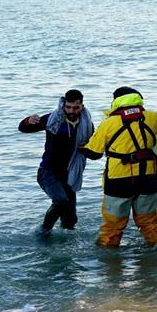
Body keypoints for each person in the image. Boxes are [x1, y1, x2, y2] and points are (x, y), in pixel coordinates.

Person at [79, 87, 157, 247]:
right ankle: (156, 259)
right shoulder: (152, 117)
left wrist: (81, 147)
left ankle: (110, 264)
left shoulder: (108, 123)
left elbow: (93, 153)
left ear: (116, 101)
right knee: (149, 222)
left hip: (118, 181)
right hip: (147, 178)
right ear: (137, 99)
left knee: (113, 226)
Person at [19, 89, 94, 234]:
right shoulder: (53, 119)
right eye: (68, 107)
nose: (71, 110)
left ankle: (67, 248)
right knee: (60, 202)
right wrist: (28, 121)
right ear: (64, 105)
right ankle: (43, 232)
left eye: (76, 107)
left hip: (69, 174)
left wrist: (87, 150)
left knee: (70, 220)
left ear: (82, 107)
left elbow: (94, 150)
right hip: (48, 172)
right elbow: (23, 128)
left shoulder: (87, 125)